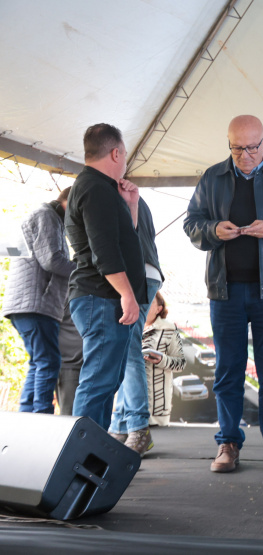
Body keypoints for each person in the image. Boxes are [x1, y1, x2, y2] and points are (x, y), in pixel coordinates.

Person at [184, 115, 263, 473]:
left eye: (252, 148)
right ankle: (227, 443)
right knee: (228, 370)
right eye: (237, 148)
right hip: (225, 291)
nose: (245, 155)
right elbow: (191, 224)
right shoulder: (212, 177)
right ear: (228, 143)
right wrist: (213, 230)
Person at [66, 124, 147, 430]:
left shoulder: (100, 188)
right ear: (115, 153)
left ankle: (93, 452)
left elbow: (124, 240)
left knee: (107, 382)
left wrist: (131, 205)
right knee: (98, 383)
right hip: (101, 297)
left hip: (103, 296)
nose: (124, 160)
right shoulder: (95, 188)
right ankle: (79, 453)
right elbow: (105, 251)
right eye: (124, 154)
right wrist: (127, 294)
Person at [2, 187, 76, 413]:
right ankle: (41, 415)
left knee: (39, 362)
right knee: (48, 361)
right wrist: (83, 270)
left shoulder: (50, 218)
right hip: (37, 304)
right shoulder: (47, 216)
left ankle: (28, 414)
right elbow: (52, 260)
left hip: (30, 304)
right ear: (70, 202)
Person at [108, 197, 163, 455]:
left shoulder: (114, 193)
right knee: (125, 351)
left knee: (129, 352)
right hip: (148, 272)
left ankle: (138, 427)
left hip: (134, 274)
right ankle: (120, 425)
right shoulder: (134, 196)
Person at [142, 291, 187, 427]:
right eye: (141, 301)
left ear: (159, 309)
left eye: (149, 302)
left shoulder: (169, 329)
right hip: (125, 409)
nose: (143, 305)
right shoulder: (126, 327)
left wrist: (162, 360)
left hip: (156, 411)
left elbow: (181, 364)